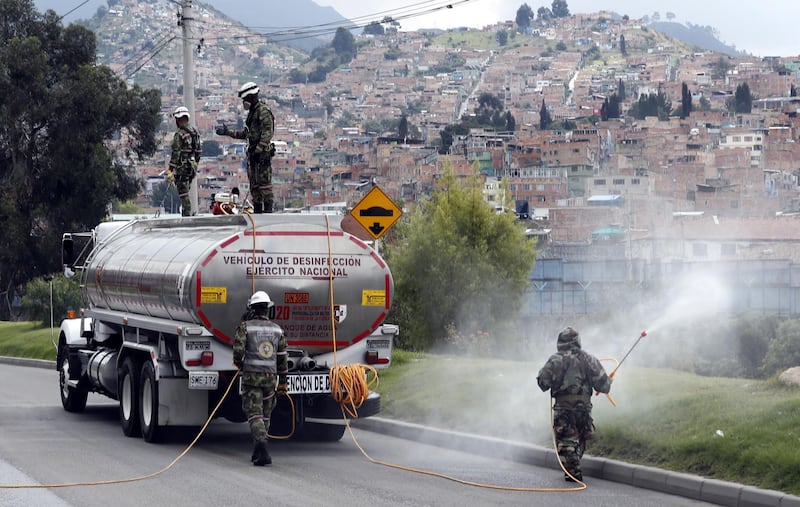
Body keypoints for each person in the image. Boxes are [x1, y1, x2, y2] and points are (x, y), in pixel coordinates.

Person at [537, 327, 612, 483]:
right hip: (584, 408)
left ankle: (573, 472)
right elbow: (604, 386)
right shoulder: (590, 359)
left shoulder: (555, 359)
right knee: (580, 439)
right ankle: (572, 467)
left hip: (563, 408)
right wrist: (608, 380)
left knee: (567, 440)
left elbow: (543, 383)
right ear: (578, 341)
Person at [232, 291, 288, 466]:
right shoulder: (277, 330)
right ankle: (258, 450)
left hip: (251, 378)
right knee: (266, 415)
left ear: (252, 309)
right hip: (270, 379)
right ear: (268, 309)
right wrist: (283, 382)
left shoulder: (246, 327)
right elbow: (282, 357)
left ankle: (262, 448)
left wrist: (239, 364)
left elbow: (238, 351)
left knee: (254, 414)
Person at [215, 82, 275, 213]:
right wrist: (228, 132)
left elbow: (267, 133)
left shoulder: (263, 111)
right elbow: (246, 134)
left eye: (245, 99)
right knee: (255, 187)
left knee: (264, 186)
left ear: (252, 97)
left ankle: (268, 213)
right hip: (253, 156)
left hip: (262, 156)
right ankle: (258, 212)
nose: (244, 102)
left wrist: (259, 150)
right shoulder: (253, 113)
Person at [168, 106, 202, 217]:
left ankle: (186, 216)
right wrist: (195, 163)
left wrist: (170, 169)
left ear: (179, 119)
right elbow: (198, 151)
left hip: (182, 168)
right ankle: (187, 214)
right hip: (191, 168)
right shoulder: (195, 133)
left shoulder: (179, 134)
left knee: (184, 194)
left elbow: (176, 153)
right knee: (186, 190)